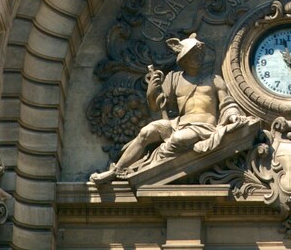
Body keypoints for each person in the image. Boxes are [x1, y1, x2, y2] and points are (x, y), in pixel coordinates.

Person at [91, 33, 253, 183]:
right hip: (178, 124)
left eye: (199, 55)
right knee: (147, 131)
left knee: (178, 139)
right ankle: (117, 170)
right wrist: (152, 89)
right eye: (194, 55)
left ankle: (149, 169)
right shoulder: (173, 79)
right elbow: (157, 105)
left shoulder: (214, 79)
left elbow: (227, 103)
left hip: (204, 128)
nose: (198, 58)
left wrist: (233, 116)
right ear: (184, 59)